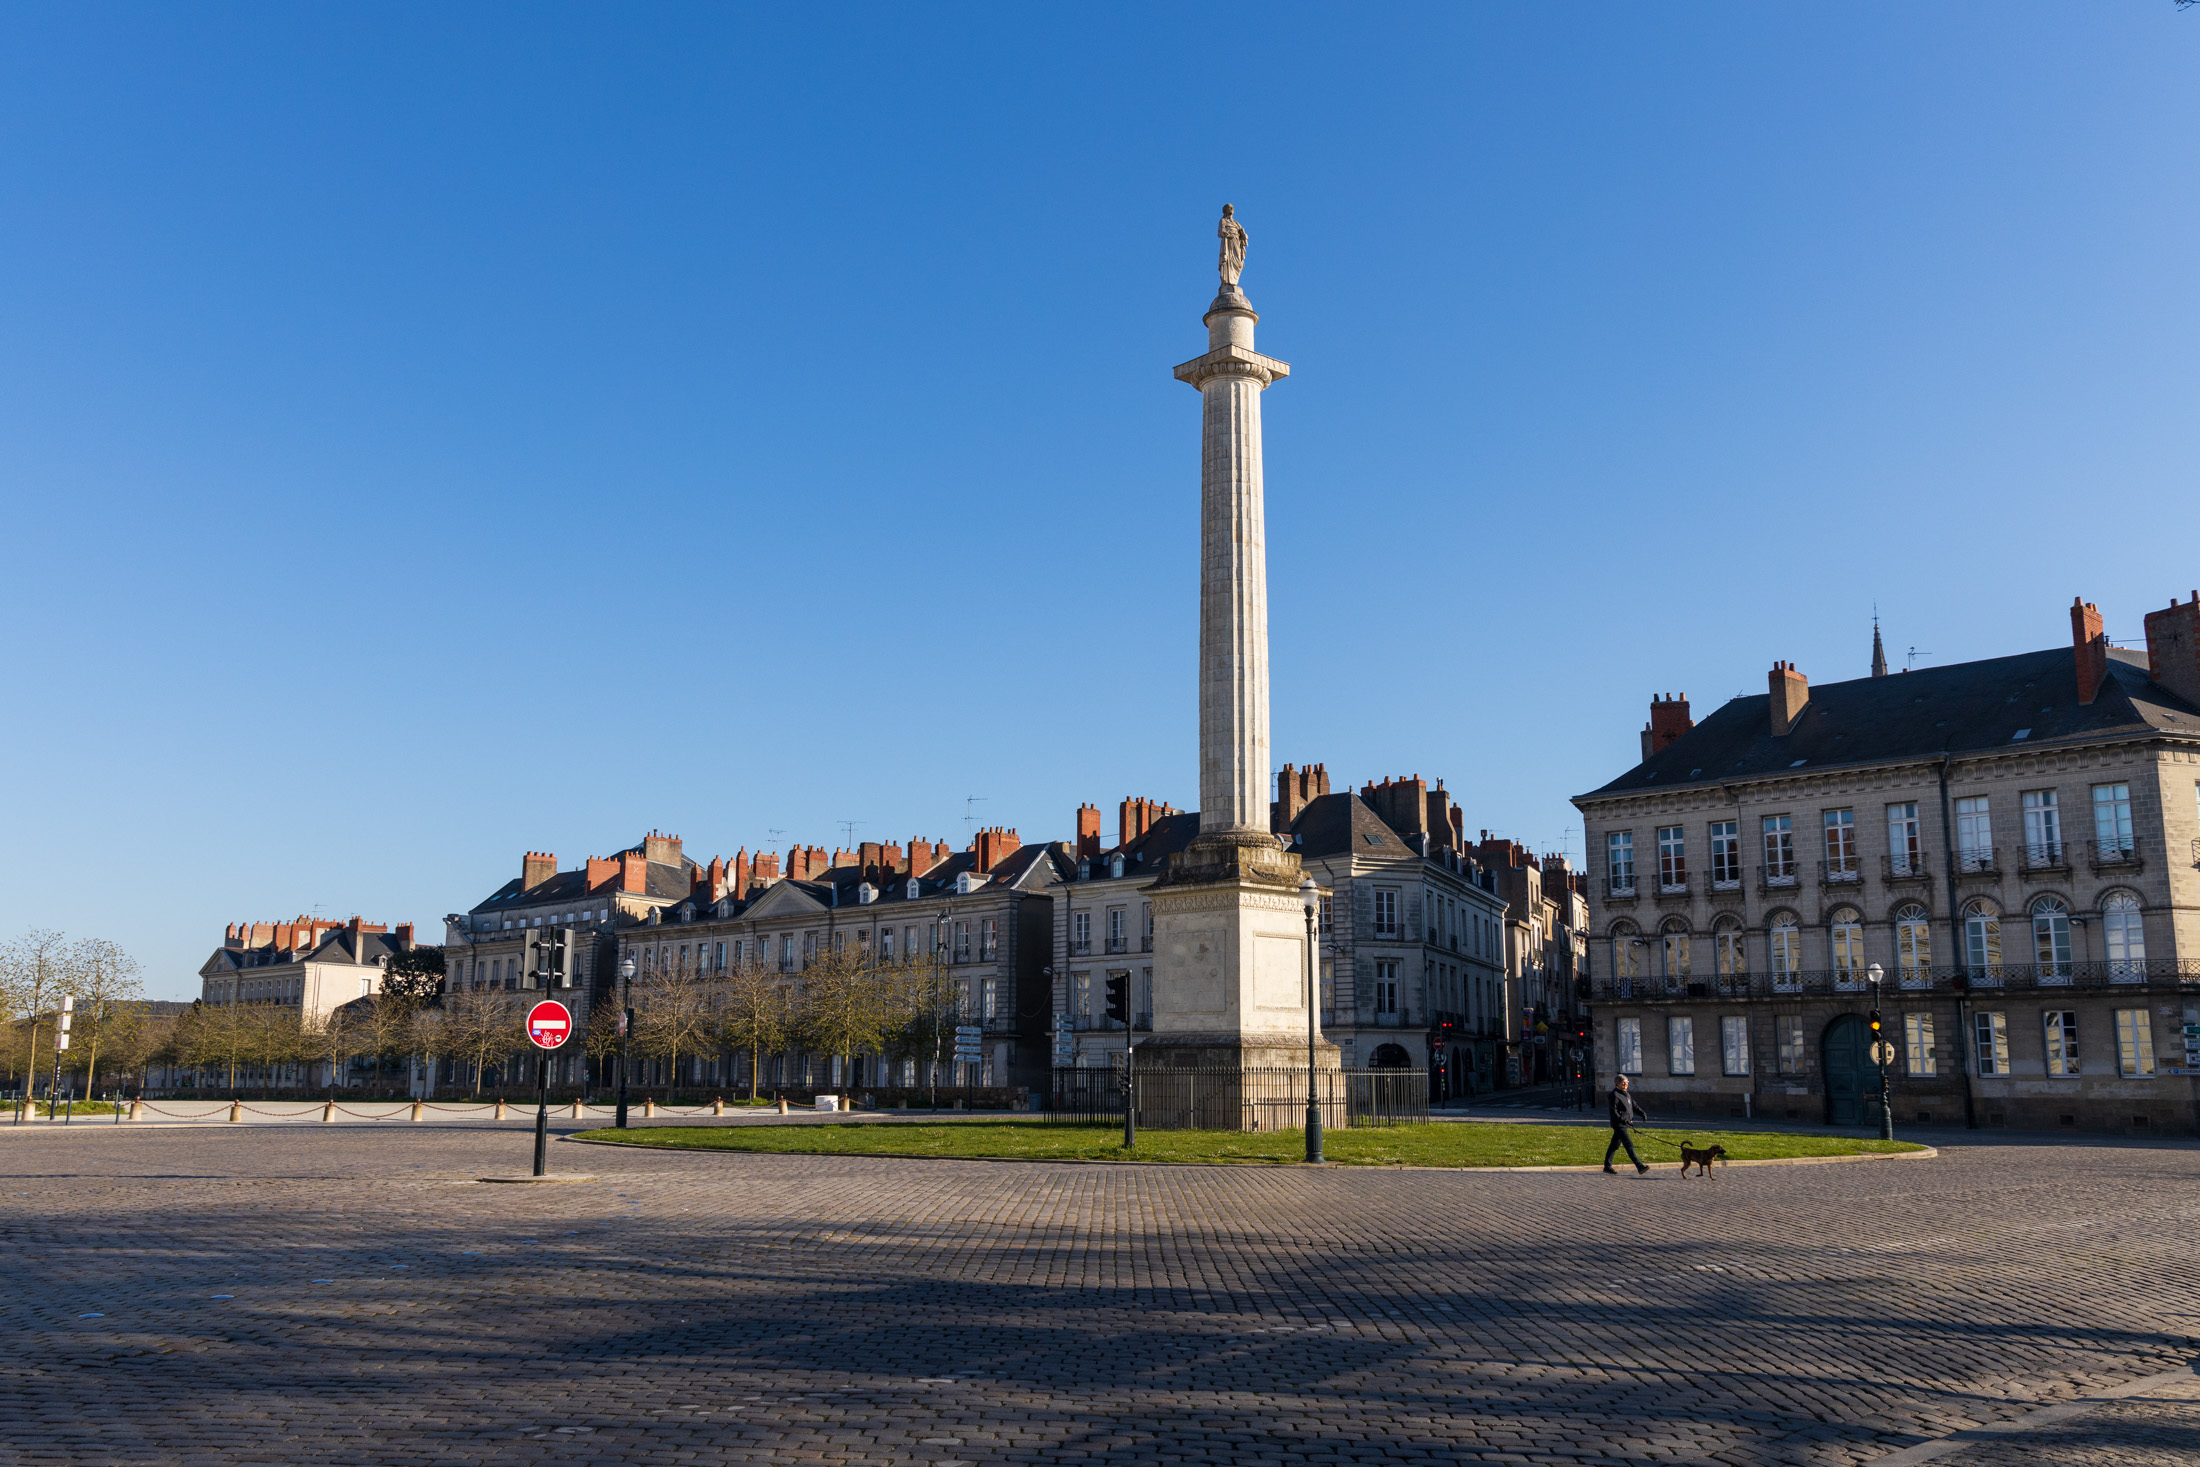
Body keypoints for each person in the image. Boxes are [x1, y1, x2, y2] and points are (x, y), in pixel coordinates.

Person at [1605, 1075, 1650, 1174]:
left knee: (1614, 1145)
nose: (1626, 1084)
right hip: (1619, 1124)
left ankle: (1607, 1166)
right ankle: (1639, 1166)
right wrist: (1622, 1119)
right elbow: (1614, 1111)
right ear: (1618, 1083)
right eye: (1623, 1082)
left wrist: (1642, 1113)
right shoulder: (1614, 1095)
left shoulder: (1626, 1094)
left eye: (1627, 1082)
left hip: (1625, 1123)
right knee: (1628, 1144)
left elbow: (1633, 1106)